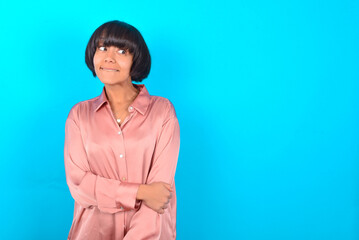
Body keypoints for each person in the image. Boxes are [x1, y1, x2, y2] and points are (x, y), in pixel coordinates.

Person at [64, 20, 180, 240]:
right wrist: (141, 192)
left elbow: (159, 196)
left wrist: (147, 195)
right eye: (102, 48)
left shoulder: (162, 112)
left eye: (121, 50)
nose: (109, 57)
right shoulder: (79, 115)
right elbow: (80, 185)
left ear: (135, 60)